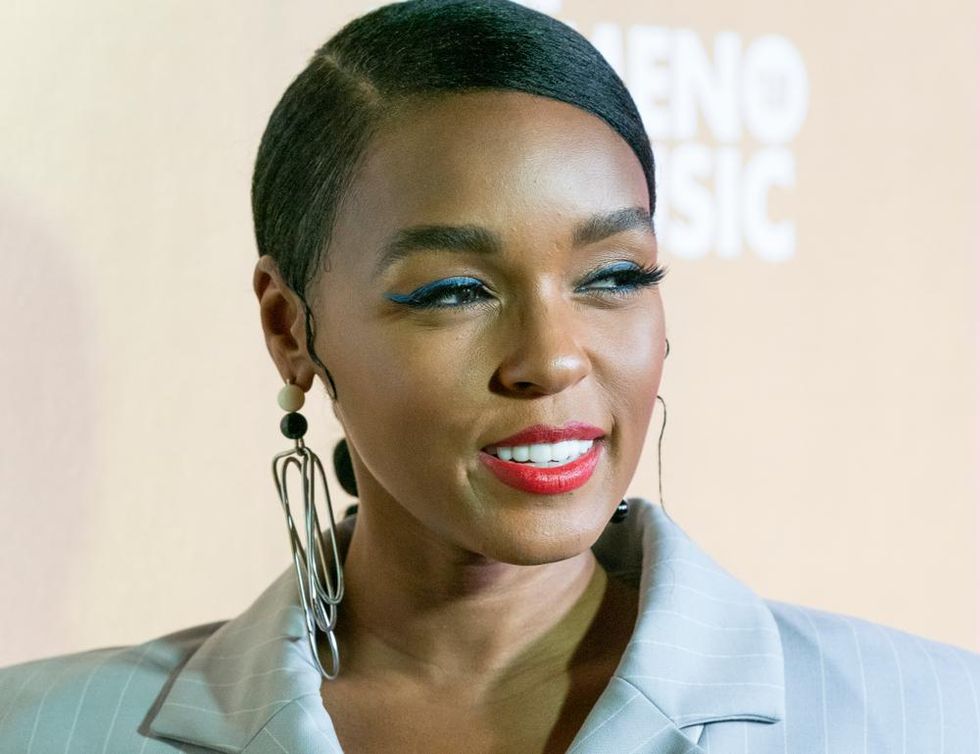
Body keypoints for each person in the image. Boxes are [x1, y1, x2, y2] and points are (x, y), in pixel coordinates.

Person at [1, 0, 979, 751]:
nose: (551, 358)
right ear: (288, 328)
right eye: (455, 291)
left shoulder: (932, 718)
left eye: (614, 277)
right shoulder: (44, 729)